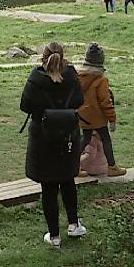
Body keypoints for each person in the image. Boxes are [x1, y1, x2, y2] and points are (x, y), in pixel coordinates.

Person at [19, 42, 86, 247]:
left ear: (43, 57)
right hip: (68, 137)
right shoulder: (72, 77)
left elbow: (25, 106)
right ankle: (74, 225)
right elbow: (79, 101)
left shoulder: (36, 79)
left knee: (48, 187)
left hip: (43, 138)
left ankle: (54, 236)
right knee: (67, 181)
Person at [77, 43, 126, 177]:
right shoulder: (101, 79)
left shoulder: (79, 76)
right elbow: (105, 102)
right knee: (105, 139)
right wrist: (112, 119)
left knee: (85, 138)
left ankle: (73, 166)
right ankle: (112, 167)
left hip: (83, 115)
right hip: (97, 117)